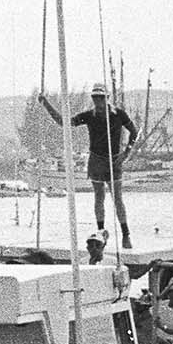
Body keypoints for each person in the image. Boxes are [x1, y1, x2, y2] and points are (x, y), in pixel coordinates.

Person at [40, 83, 138, 246]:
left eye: (101, 97)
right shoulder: (89, 115)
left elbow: (134, 131)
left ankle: (125, 234)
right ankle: (101, 232)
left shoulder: (118, 114)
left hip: (114, 160)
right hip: (96, 160)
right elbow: (64, 122)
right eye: (95, 97)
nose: (97, 101)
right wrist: (46, 104)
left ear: (107, 98)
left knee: (118, 199)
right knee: (99, 197)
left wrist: (126, 153)